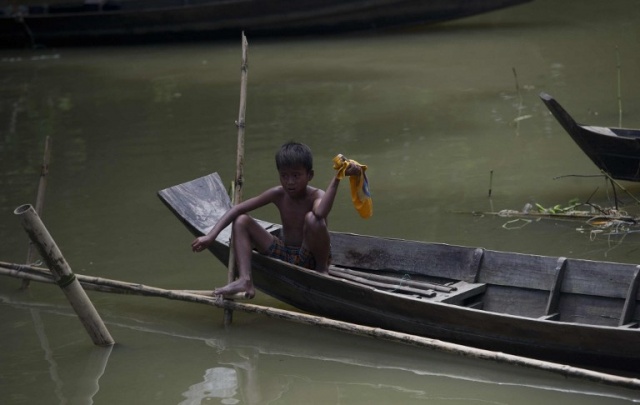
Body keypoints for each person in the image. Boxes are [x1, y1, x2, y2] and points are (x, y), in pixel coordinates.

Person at [191, 141, 360, 299]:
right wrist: (211, 237)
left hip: (309, 257)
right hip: (284, 252)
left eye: (296, 175)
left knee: (314, 219)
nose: (290, 182)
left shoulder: (316, 195)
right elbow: (237, 209)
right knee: (241, 220)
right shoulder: (278, 193)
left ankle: (322, 270)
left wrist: (338, 178)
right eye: (284, 176)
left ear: (310, 175)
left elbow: (321, 212)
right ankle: (245, 280)